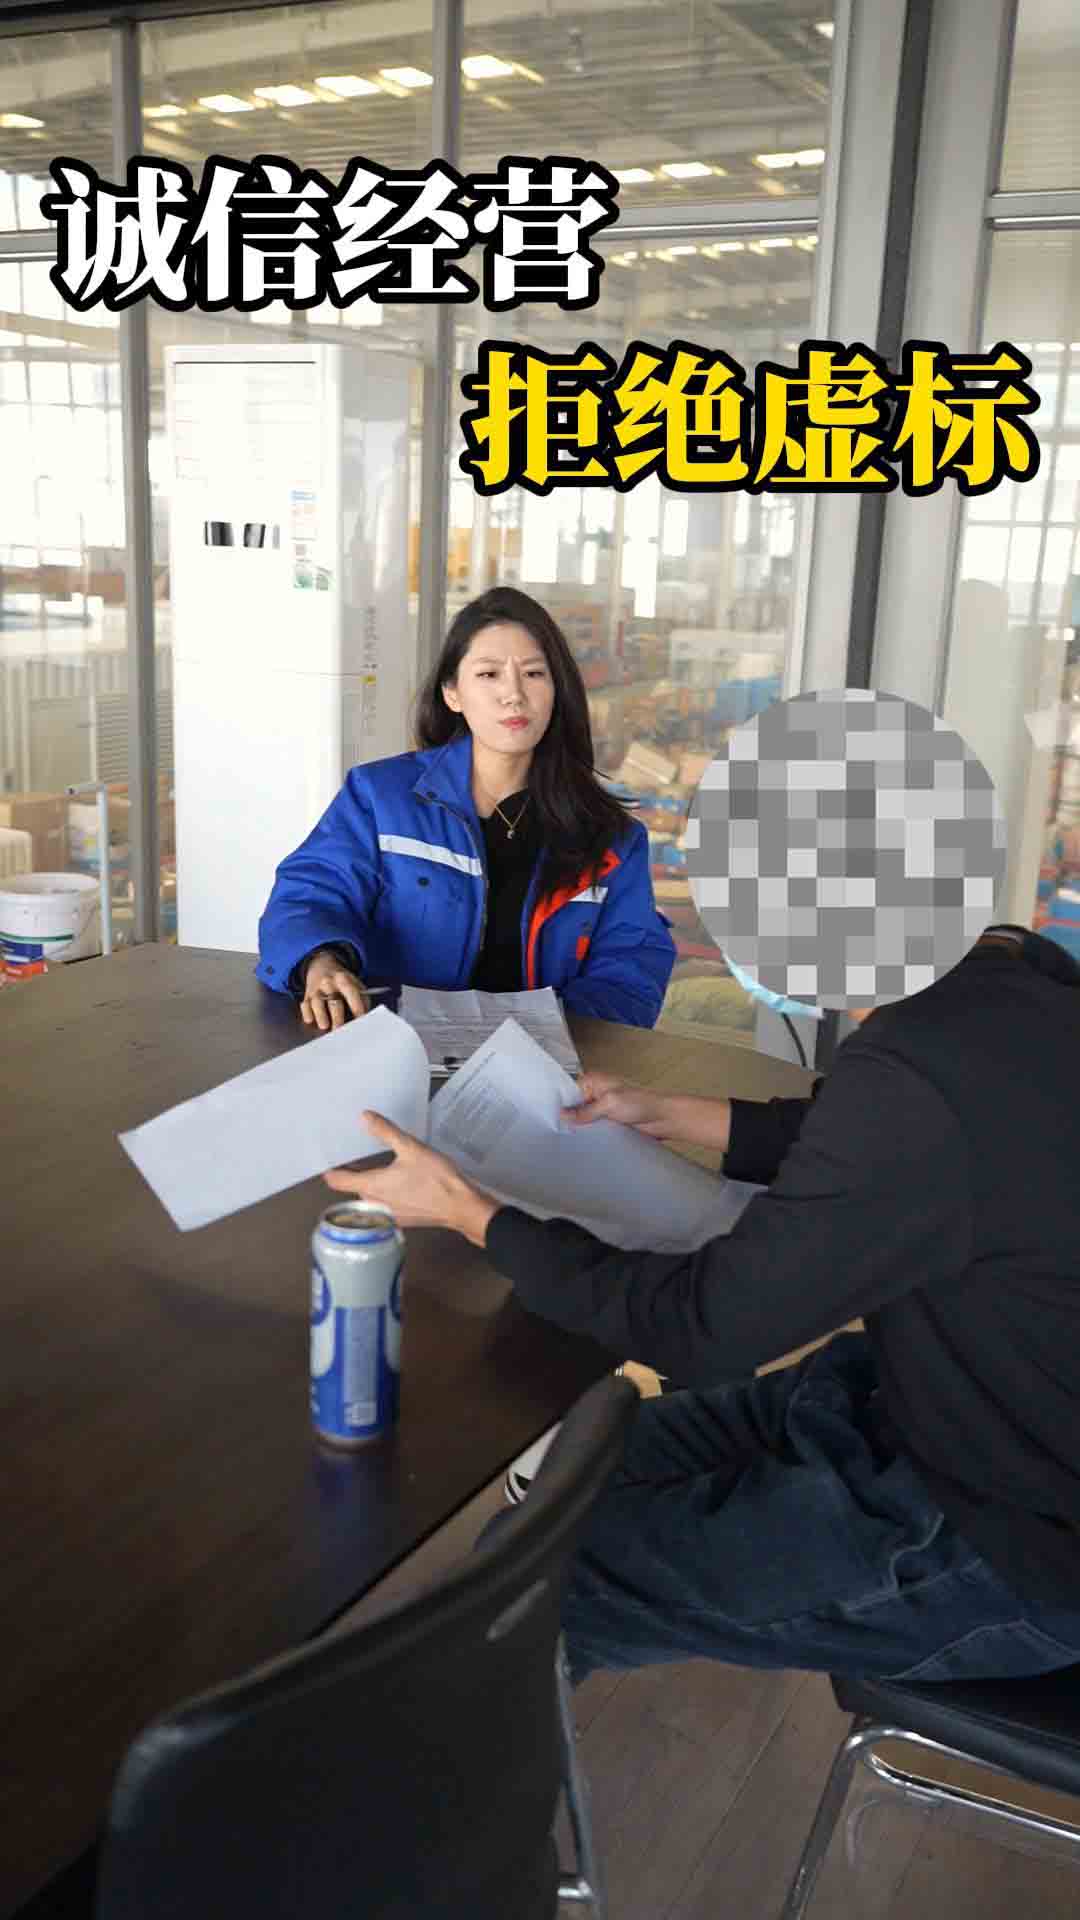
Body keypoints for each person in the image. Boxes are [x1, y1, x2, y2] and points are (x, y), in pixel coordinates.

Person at [322, 924, 1080, 1688]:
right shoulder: (1009, 977)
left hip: (1009, 1533)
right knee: (571, 1481)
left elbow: (700, 1327)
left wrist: (475, 1217)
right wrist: (681, 1114)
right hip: (939, 1403)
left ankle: (458, 1749)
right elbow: (906, 1131)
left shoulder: (917, 1061)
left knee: (539, 1583)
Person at [256, 585, 675, 1032]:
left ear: (557, 691)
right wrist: (319, 961)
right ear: (452, 694)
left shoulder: (610, 838)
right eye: (489, 674)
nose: (513, 694)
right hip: (393, 1046)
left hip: (545, 1056)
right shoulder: (380, 798)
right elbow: (307, 896)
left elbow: (632, 965)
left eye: (534, 674)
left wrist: (552, 1033)